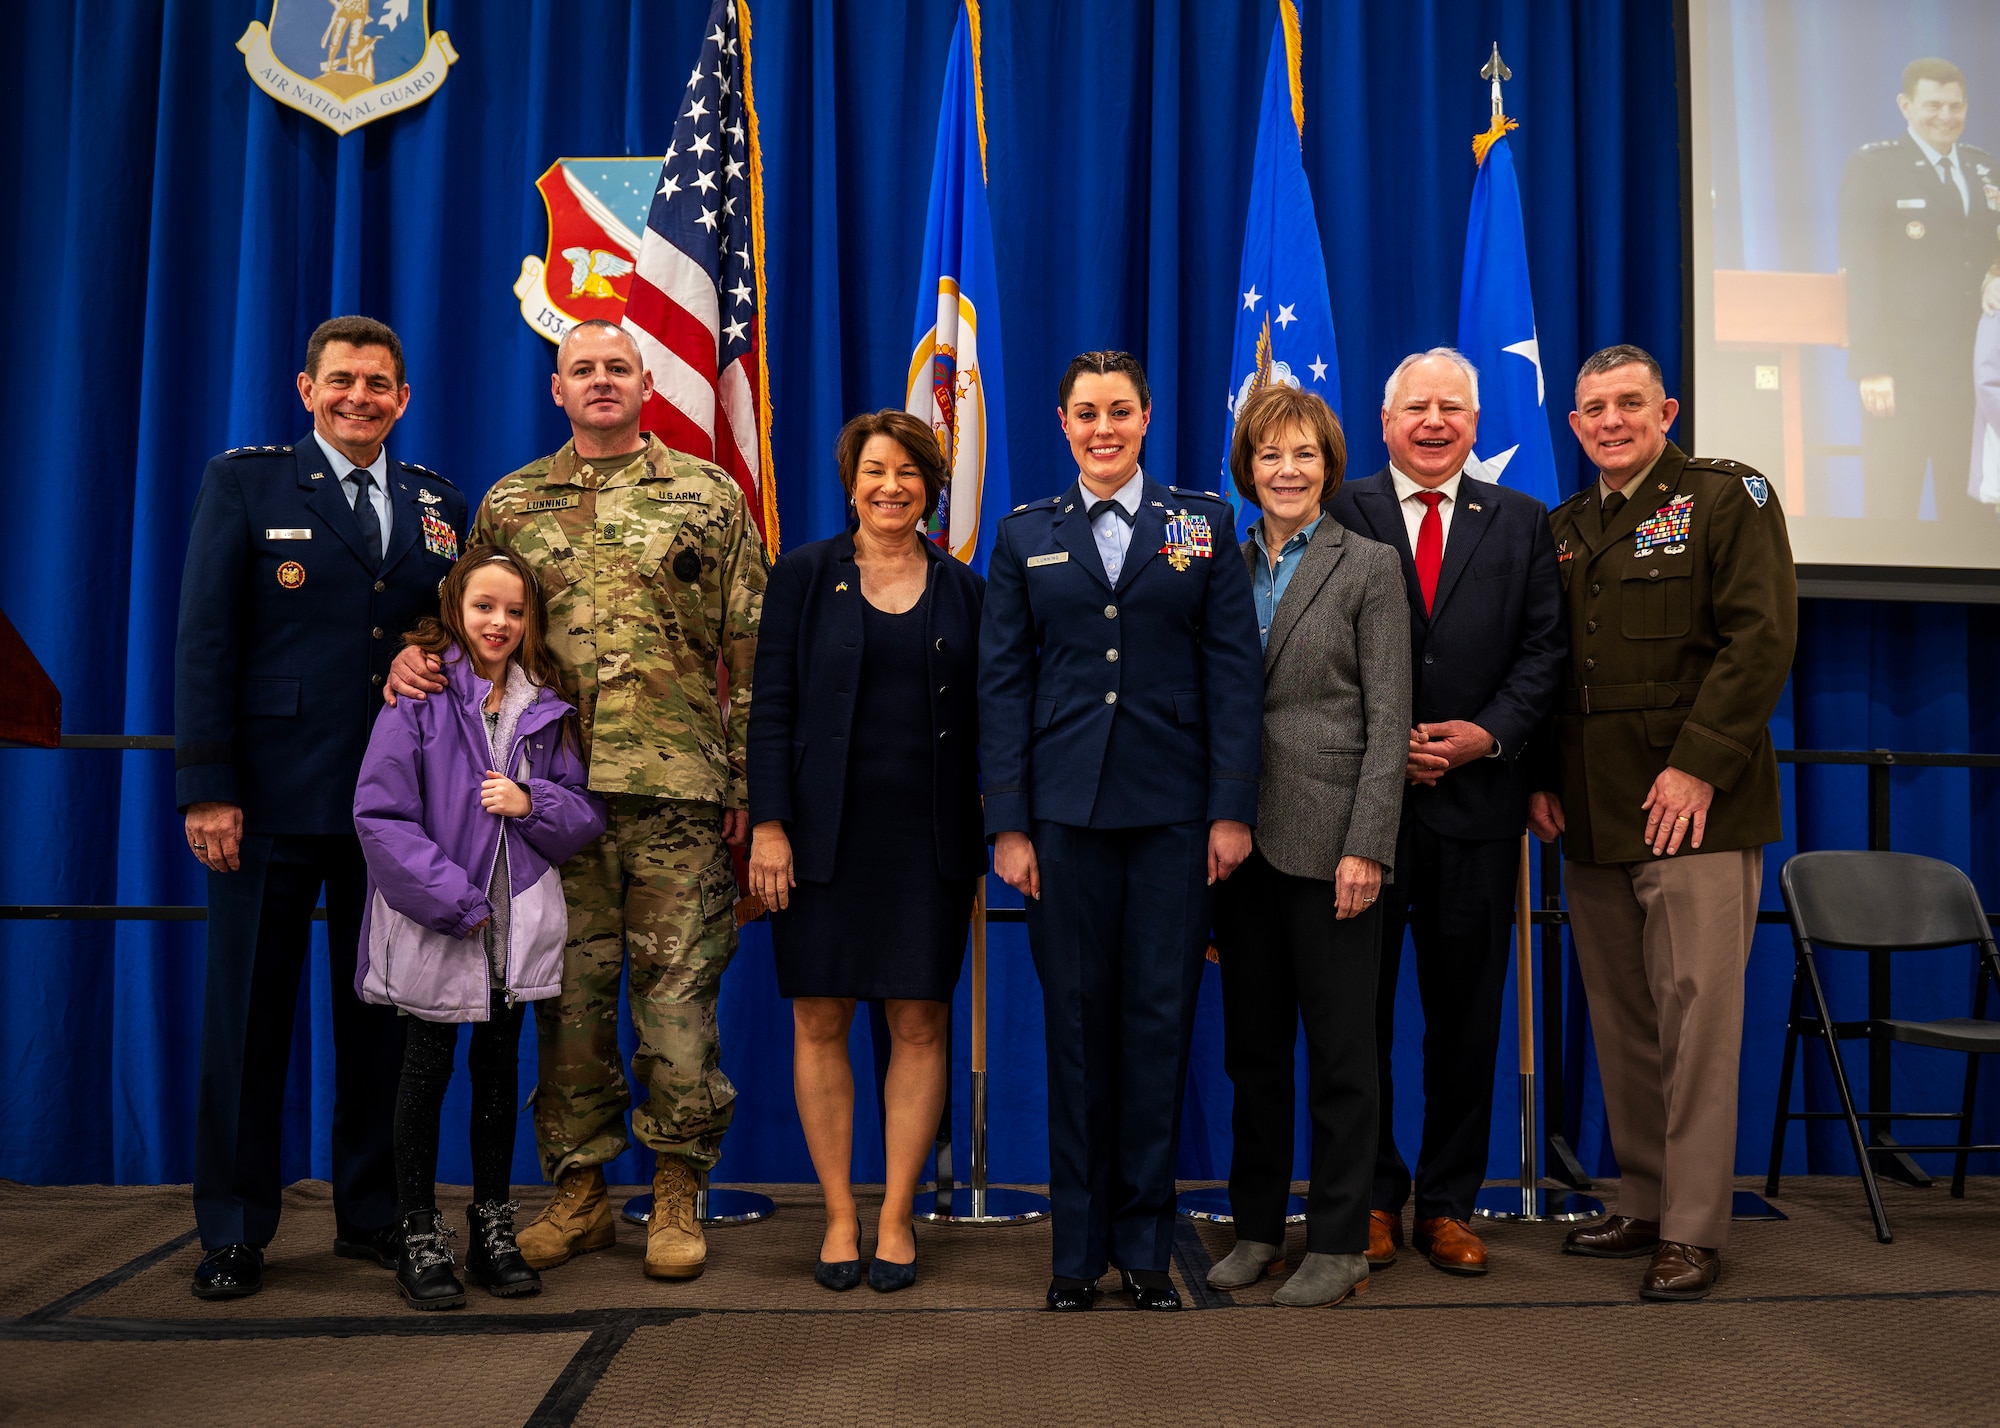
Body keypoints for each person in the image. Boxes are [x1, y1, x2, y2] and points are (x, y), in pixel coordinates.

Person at [385, 317, 764, 1281]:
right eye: (582, 368)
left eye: (617, 368)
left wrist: (752, 786)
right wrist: (411, 658)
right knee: (566, 1004)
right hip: (543, 801)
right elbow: (466, 624)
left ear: (646, 384)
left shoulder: (707, 495)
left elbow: (756, 652)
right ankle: (581, 1191)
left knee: (679, 1005)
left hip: (676, 795)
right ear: (558, 389)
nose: (601, 381)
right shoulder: (513, 502)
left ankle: (676, 1187)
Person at [176, 315, 469, 1300]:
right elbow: (205, 643)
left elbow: (448, 628)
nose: (359, 397)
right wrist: (208, 788)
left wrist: (428, 651)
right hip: (266, 802)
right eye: (341, 380)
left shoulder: (435, 502)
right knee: (247, 1022)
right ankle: (234, 1228)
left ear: (403, 398)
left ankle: (375, 1213)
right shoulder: (247, 484)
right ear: (306, 390)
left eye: (378, 383)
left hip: (394, 809)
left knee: (381, 1022)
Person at [980, 350, 1264, 1312]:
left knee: (1157, 1026)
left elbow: (1232, 673)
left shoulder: (1203, 524)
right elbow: (1004, 687)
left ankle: (1144, 1248)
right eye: (1087, 413)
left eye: (1122, 411)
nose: (1105, 429)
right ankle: (1075, 1252)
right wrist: (1008, 825)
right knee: (1074, 1030)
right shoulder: (1025, 535)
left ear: (1147, 419)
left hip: (1177, 817)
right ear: (1063, 423)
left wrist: (1231, 808)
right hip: (1063, 817)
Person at [1528, 345, 1797, 1302]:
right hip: (1595, 813)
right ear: (1573, 424)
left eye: (1629, 403)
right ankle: (1640, 1198)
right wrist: (1539, 777)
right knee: (1627, 1022)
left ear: (1667, 409)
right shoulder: (1564, 527)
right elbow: (1554, 671)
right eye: (1593, 407)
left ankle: (1692, 1226)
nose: (1611, 420)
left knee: (1698, 1024)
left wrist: (1696, 766)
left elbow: (1761, 636)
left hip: (1696, 812)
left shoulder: (1729, 498)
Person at [1327, 349, 1565, 1277]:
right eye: (1416, 408)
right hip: (1360, 815)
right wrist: (1385, 748)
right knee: (1360, 1017)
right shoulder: (1339, 510)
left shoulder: (1523, 520)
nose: (1434, 423)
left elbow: (1545, 653)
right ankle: (1375, 1197)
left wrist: (1488, 736)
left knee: (1466, 1016)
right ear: (1384, 424)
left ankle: (1451, 1204)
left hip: (1477, 805)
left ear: (1474, 422)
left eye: (1452, 409)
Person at [745, 411, 986, 1295]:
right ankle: (841, 1213)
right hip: (818, 839)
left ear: (931, 487)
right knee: (820, 1019)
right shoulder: (805, 576)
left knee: (918, 1022)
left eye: (910, 473)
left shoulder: (967, 589)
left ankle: (896, 1216)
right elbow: (769, 708)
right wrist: (769, 825)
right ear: (852, 483)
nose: (892, 486)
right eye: (876, 471)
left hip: (928, 842)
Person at [354, 547, 606, 1309]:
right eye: (484, 607)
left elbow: (580, 812)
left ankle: (492, 1224)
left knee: (499, 1073)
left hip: (513, 927)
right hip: (444, 922)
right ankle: (419, 1230)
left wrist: (531, 803)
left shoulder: (546, 705)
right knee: (424, 1073)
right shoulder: (421, 699)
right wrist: (456, 902)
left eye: (515, 611)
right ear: (456, 612)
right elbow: (381, 816)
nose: (499, 623)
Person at [1204, 384, 1409, 1309]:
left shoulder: (1368, 565)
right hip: (1234, 846)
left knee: (1341, 1055)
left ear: (1329, 466)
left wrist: (1368, 845)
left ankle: (1338, 1239)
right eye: (1270, 456)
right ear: (1247, 468)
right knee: (1252, 1055)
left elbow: (1388, 717)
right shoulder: (1212, 561)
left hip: (1334, 850)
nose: (1287, 472)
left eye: (1306, 457)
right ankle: (1255, 1229)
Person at [1837, 56, 2000, 523]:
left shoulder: (1985, 169)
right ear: (1906, 105)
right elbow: (1861, 270)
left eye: (1956, 106)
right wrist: (1871, 366)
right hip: (1902, 373)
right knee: (1893, 505)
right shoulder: (1875, 166)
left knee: (1969, 513)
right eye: (1934, 105)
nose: (1946, 116)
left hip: (1971, 372)